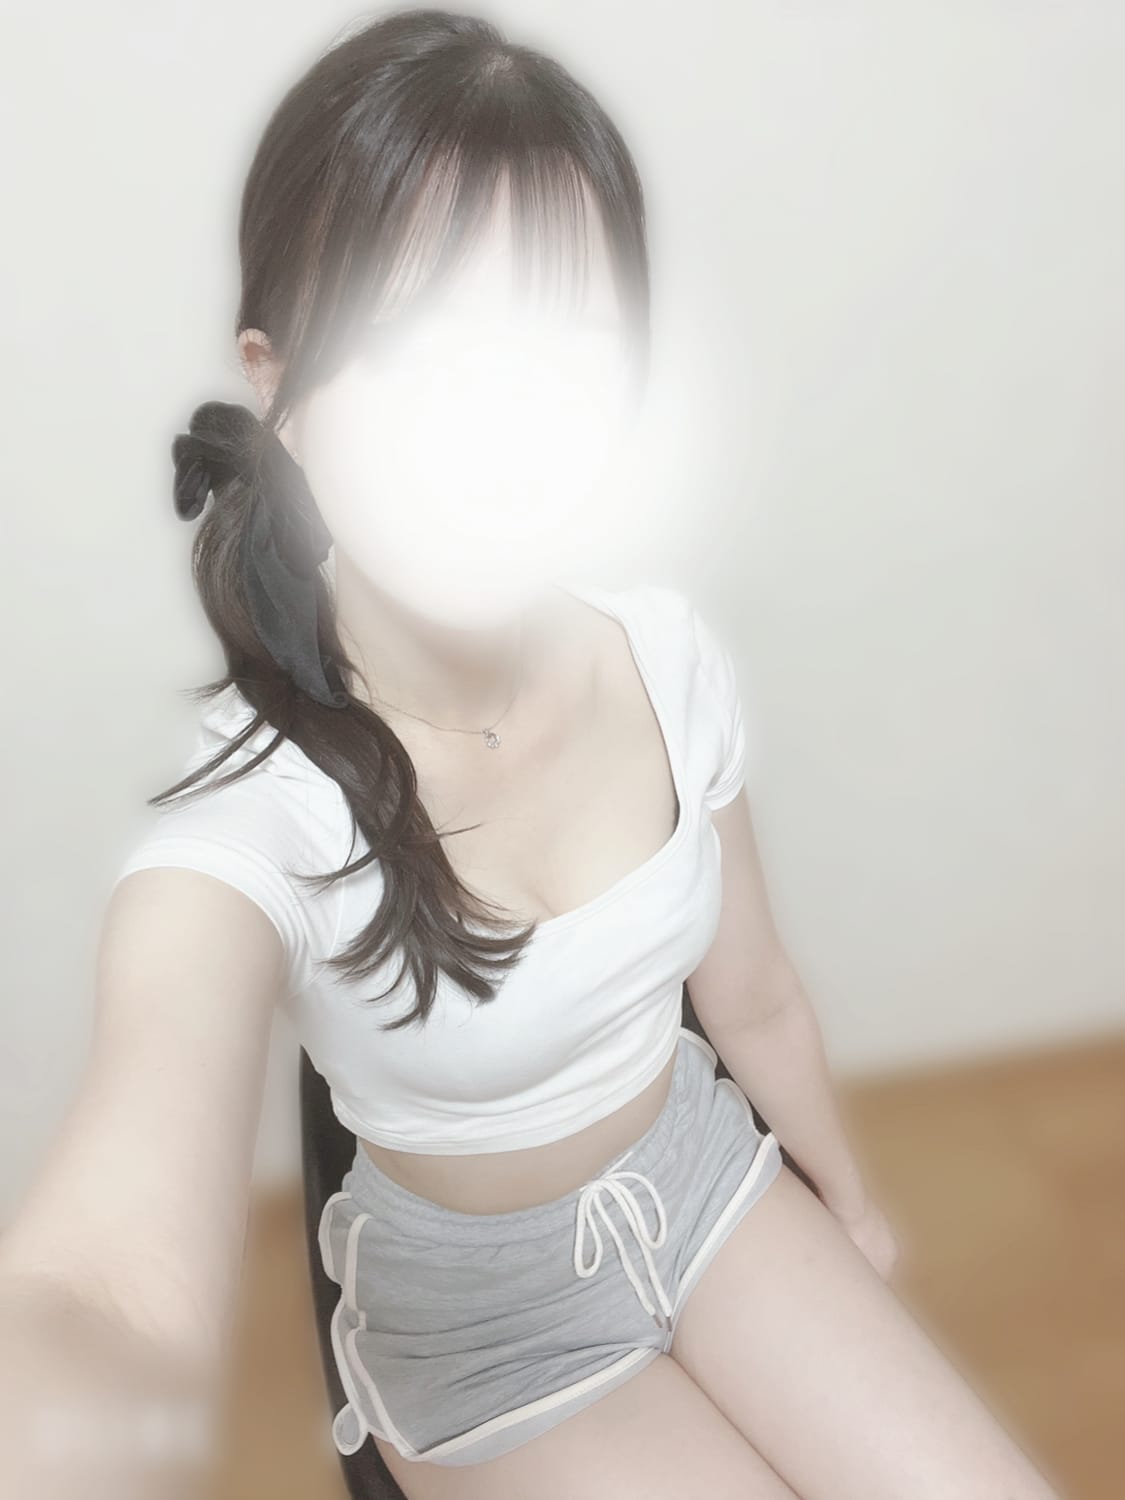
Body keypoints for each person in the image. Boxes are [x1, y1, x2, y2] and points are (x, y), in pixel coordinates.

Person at [0, 9, 1066, 1500]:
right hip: (480, 1332)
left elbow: (754, 997)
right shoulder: (256, 811)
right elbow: (105, 1279)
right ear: (279, 386)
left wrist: (851, 1205)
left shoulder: (664, 655)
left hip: (704, 1180)